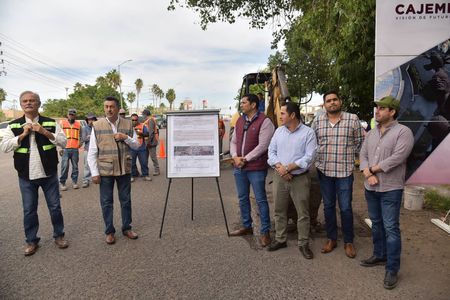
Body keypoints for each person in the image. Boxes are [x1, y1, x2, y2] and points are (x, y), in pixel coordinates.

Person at [0, 91, 69, 256]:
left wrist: (44, 131)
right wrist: (23, 135)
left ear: (38, 104)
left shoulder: (51, 123)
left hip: (49, 174)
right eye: (25, 101)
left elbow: (64, 142)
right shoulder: (14, 125)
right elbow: (4, 147)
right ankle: (31, 241)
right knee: (29, 210)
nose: (28, 103)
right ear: (21, 104)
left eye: (32, 100)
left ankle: (59, 236)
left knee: (55, 207)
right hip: (26, 176)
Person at [359, 96, 414, 290]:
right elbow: (363, 154)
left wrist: (373, 170)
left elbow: (398, 157)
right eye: (377, 108)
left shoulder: (403, 132)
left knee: (391, 228)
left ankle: (392, 269)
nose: (377, 111)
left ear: (392, 112)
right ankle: (379, 254)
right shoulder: (372, 133)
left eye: (382, 108)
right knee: (376, 224)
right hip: (371, 187)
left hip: (391, 188)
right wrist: (367, 172)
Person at [311, 90, 364, 258]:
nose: (332, 103)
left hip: (344, 172)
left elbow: (360, 143)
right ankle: (331, 238)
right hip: (325, 171)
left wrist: (350, 159)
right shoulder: (318, 120)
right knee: (327, 206)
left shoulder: (352, 119)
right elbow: (312, 142)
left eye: (335, 100)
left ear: (340, 101)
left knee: (346, 207)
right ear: (324, 104)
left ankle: (349, 241)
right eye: (328, 101)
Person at [266, 102, 317, 259]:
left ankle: (303, 243)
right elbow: (271, 152)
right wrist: (281, 168)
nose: (280, 116)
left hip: (299, 178)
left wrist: (289, 168)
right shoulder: (279, 131)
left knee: (303, 212)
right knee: (279, 210)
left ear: (292, 115)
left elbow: (309, 157)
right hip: (280, 176)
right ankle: (280, 239)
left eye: (282, 113)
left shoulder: (308, 133)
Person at [88, 96, 140, 245]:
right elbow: (92, 151)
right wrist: (94, 173)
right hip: (105, 171)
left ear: (117, 108)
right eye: (106, 107)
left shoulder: (128, 124)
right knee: (106, 202)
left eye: (112, 106)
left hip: (124, 169)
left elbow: (137, 145)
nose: (109, 109)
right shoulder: (97, 126)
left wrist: (126, 137)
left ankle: (127, 228)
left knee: (126, 200)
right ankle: (109, 231)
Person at [229, 93, 275, 247]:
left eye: (243, 103)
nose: (241, 105)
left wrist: (245, 159)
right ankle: (246, 226)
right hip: (239, 167)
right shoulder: (240, 120)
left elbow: (263, 146)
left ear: (253, 105)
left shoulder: (265, 121)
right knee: (242, 198)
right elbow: (233, 141)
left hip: (256, 168)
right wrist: (235, 156)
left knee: (261, 199)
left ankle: (265, 231)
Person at [59, 108, 81, 190]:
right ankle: (62, 182)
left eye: (73, 114)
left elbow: (81, 135)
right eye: (70, 114)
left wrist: (80, 143)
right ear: (67, 115)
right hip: (65, 149)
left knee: (75, 167)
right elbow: (59, 136)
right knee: (65, 166)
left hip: (75, 149)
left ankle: (74, 182)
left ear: (75, 115)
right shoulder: (62, 123)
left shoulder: (78, 124)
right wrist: (59, 148)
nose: (71, 116)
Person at [130, 113, 151, 182]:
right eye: (133, 120)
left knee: (144, 162)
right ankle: (132, 175)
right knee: (131, 163)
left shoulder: (142, 125)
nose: (134, 121)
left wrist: (141, 134)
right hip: (132, 148)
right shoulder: (128, 126)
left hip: (141, 147)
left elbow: (147, 134)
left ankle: (145, 175)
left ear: (138, 119)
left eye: (135, 120)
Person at [81, 112, 97, 188]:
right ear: (87, 120)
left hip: (97, 149)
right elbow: (84, 139)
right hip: (87, 149)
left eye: (92, 119)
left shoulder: (97, 127)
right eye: (89, 120)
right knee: (87, 166)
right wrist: (91, 136)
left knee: (97, 165)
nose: (91, 121)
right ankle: (85, 180)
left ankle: (96, 178)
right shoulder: (84, 128)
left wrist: (89, 136)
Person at [142, 109, 160, 176]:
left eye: (143, 114)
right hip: (148, 141)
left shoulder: (151, 120)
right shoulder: (149, 120)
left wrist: (149, 142)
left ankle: (157, 170)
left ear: (145, 114)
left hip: (151, 142)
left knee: (153, 157)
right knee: (145, 157)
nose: (143, 116)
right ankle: (145, 171)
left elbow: (151, 132)